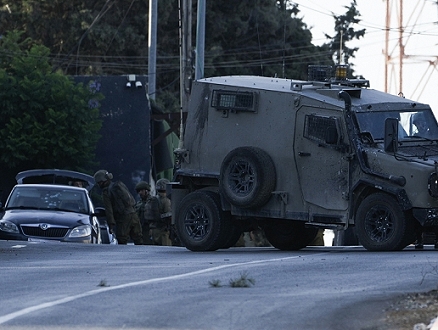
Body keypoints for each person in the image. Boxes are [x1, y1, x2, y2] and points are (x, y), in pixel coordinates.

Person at [94, 169, 143, 245]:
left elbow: (109, 210)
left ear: (102, 181)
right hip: (134, 214)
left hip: (123, 218)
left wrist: (111, 224)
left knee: (122, 240)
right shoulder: (120, 184)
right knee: (139, 239)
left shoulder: (106, 192)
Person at [154, 178, 172, 246]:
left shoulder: (154, 198)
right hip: (163, 231)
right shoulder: (166, 200)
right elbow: (168, 214)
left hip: (154, 230)